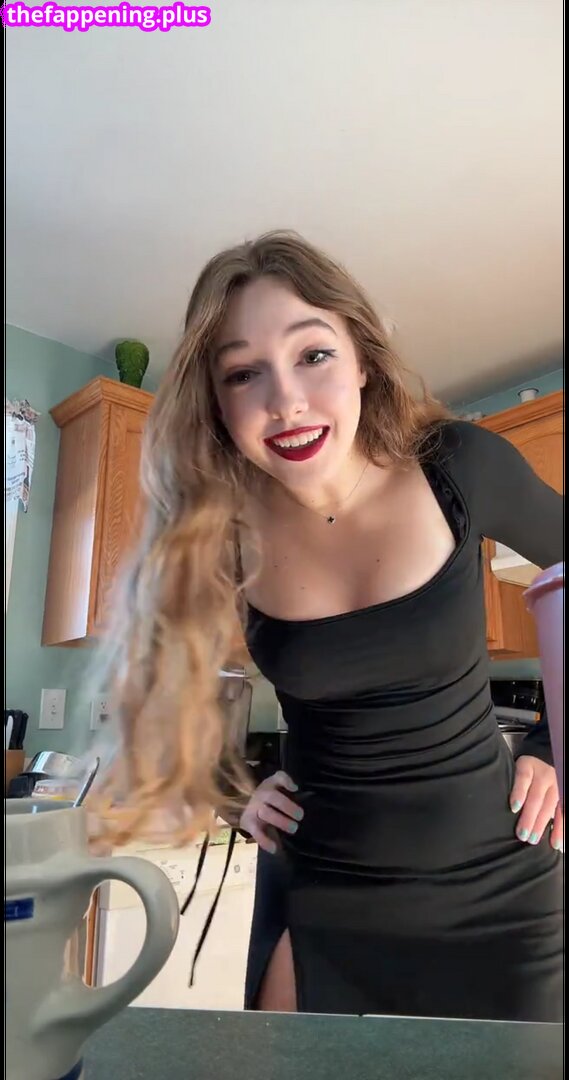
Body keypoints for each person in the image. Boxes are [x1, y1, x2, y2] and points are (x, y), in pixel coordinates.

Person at [102, 230, 563, 1023]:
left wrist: (550, 748)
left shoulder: (457, 467)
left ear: (362, 361)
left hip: (501, 888)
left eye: (312, 354)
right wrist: (233, 793)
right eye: (243, 373)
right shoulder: (222, 529)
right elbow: (160, 694)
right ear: (216, 401)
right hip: (324, 892)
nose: (285, 400)